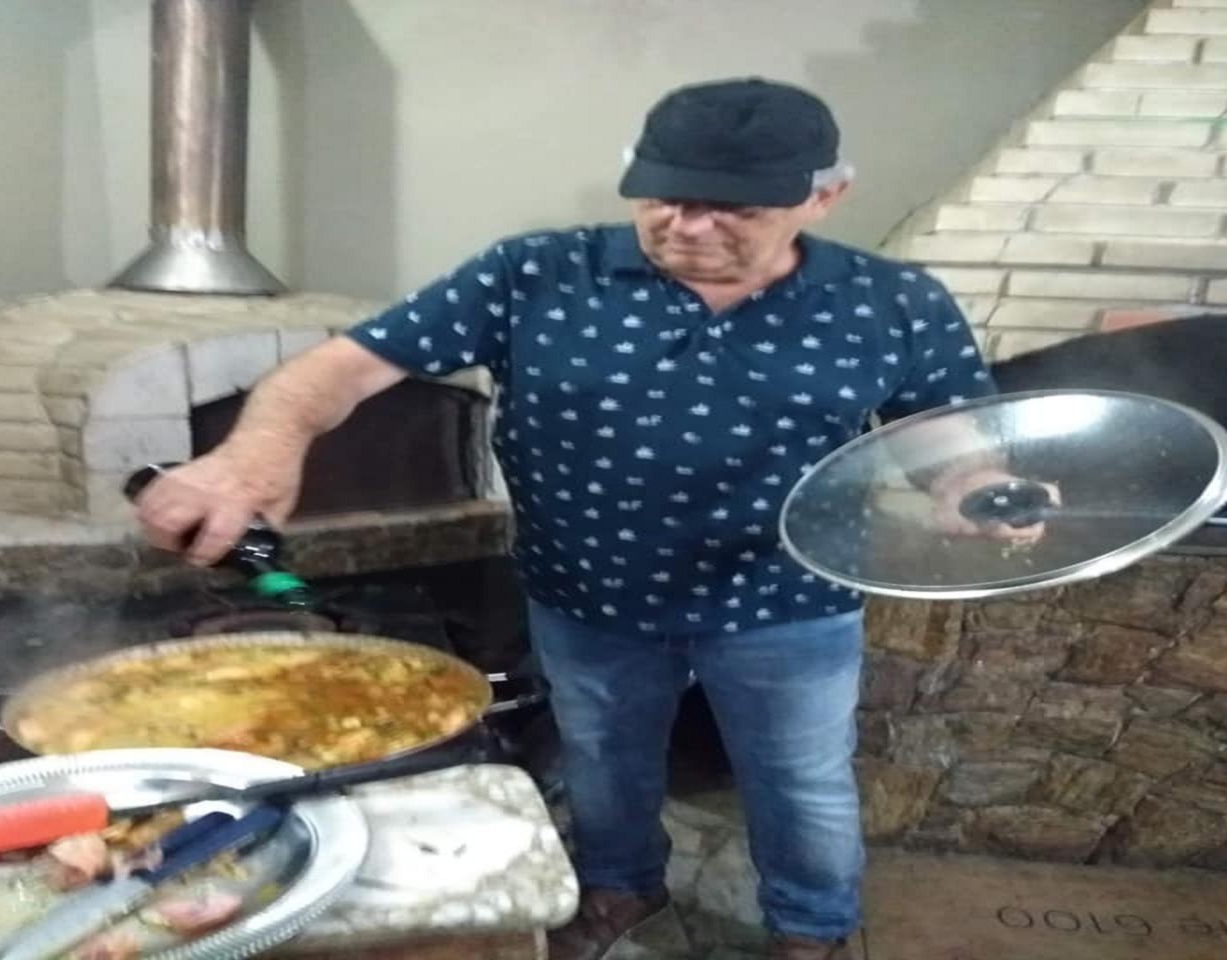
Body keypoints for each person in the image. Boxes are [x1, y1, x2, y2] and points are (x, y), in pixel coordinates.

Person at [135, 77, 1028, 960]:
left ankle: (811, 929)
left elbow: (948, 435)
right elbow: (346, 366)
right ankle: (620, 887)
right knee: (603, 764)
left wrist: (973, 482)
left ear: (824, 197)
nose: (688, 226)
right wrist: (255, 451)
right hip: (588, 597)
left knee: (801, 782)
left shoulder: (892, 302)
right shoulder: (533, 273)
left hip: (787, 602)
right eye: (665, 198)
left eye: (734, 210)